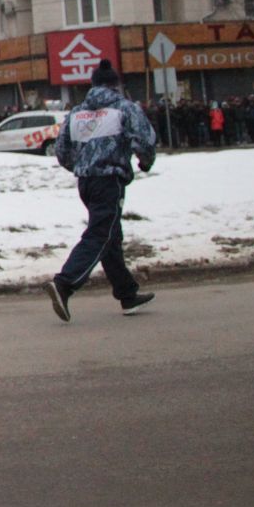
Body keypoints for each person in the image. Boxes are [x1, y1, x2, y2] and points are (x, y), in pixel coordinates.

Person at [45, 60, 158, 322]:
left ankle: (127, 293)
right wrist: (145, 161)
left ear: (93, 85)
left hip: (86, 182)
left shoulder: (76, 113)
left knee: (110, 236)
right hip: (109, 180)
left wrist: (83, 166)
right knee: (101, 234)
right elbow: (144, 138)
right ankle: (64, 284)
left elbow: (62, 152)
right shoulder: (123, 108)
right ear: (115, 84)